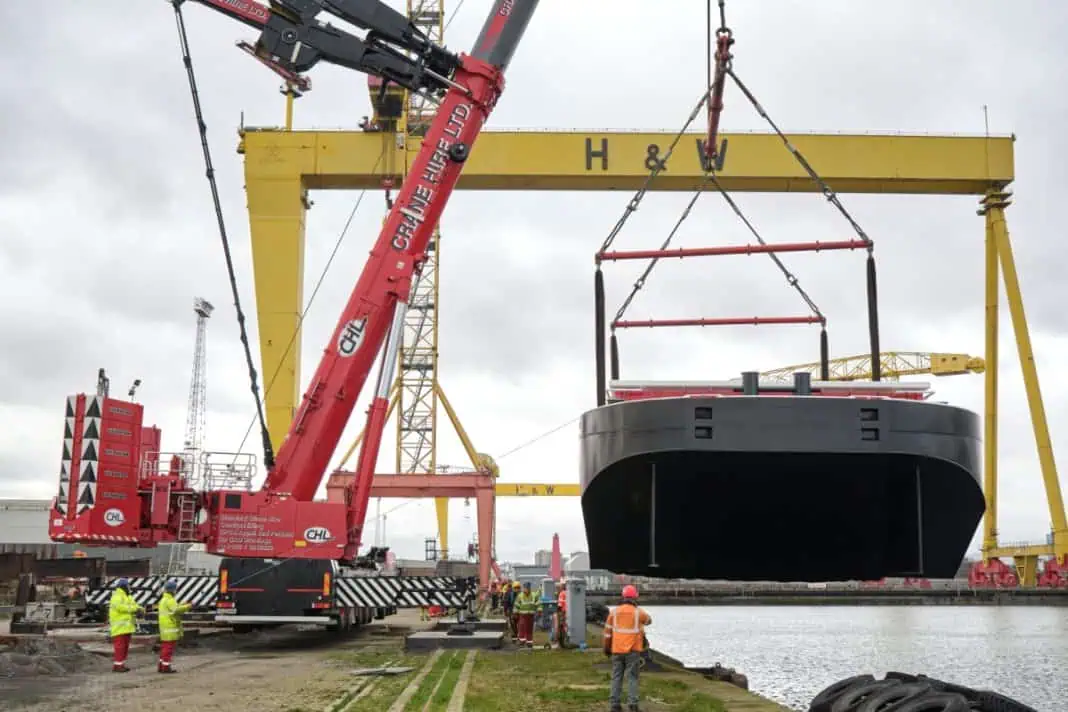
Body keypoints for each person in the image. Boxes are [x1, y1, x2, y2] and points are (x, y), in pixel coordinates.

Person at [603, 584, 652, 712]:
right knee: (632, 677)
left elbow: (607, 633)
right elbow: (649, 620)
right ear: (635, 597)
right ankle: (633, 704)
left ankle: (614, 704)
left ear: (622, 597)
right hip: (633, 651)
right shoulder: (638, 612)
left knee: (616, 676)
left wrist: (606, 648)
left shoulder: (614, 612)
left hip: (616, 650)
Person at [108, 578, 145, 673]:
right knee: (120, 647)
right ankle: (118, 666)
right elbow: (121, 608)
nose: (129, 587)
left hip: (127, 627)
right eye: (128, 586)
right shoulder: (116, 596)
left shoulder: (128, 597)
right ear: (123, 586)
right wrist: (134, 609)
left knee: (124, 647)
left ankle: (121, 665)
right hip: (119, 628)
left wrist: (140, 609)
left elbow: (135, 605)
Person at [157, 579, 193, 674]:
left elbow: (173, 608)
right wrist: (187, 606)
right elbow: (176, 610)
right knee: (168, 648)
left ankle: (162, 665)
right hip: (170, 627)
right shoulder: (170, 600)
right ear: (173, 590)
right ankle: (166, 667)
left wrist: (182, 604)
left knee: (165, 647)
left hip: (165, 627)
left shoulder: (165, 599)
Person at [514, 581, 541, 648]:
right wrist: (515, 613)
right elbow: (516, 605)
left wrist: (540, 610)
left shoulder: (534, 595)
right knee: (522, 628)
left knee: (529, 629)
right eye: (525, 588)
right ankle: (522, 641)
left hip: (531, 615)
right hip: (522, 615)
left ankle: (529, 642)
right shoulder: (520, 595)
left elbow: (539, 603)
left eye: (527, 588)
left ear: (529, 588)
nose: (525, 590)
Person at [555, 580, 568, 648]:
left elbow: (560, 604)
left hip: (563, 612)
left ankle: (561, 642)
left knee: (561, 626)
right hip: (568, 612)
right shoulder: (569, 592)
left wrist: (558, 612)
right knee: (565, 626)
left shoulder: (562, 593)